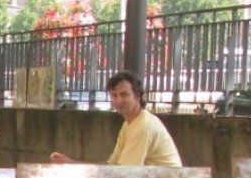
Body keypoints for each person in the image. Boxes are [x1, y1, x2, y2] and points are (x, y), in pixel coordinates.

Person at [50, 71, 182, 168]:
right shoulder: (129, 124)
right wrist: (70, 163)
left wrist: (72, 165)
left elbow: (123, 174)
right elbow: (112, 166)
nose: (118, 100)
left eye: (124, 95)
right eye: (114, 95)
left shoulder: (142, 126)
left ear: (138, 96)